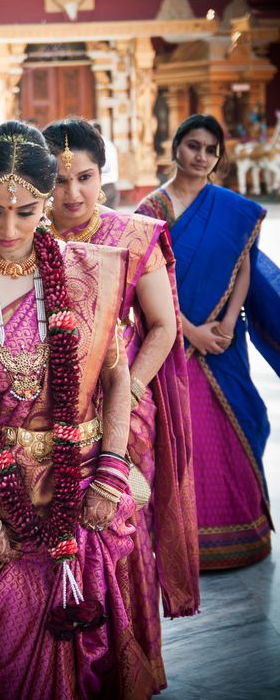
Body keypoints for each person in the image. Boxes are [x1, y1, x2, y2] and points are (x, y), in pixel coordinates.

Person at [0, 120, 162, 699]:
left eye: (26, 211)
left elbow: (117, 372)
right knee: (1, 645)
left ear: (46, 201)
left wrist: (110, 469)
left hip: (81, 485)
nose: (8, 228)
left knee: (87, 643)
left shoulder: (91, 269)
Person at [42, 118, 199, 694]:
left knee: (118, 536)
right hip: (45, 417)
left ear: (101, 175)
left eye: (84, 177)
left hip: (123, 410)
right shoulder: (22, 240)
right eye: (58, 181)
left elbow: (160, 328)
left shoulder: (133, 236)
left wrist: (125, 392)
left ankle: (126, 667)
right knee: (53, 537)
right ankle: (60, 670)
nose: (73, 193)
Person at [136, 113, 279, 570]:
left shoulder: (232, 209)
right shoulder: (151, 212)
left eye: (211, 150)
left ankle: (245, 531)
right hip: (173, 342)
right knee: (185, 436)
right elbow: (144, 287)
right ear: (176, 146)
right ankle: (183, 542)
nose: (202, 156)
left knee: (244, 419)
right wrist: (192, 331)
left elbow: (244, 267)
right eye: (194, 145)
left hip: (223, 340)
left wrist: (230, 323)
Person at [92, 121, 120, 208]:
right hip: (112, 186)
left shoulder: (97, 145)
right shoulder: (110, 144)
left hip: (103, 187)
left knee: (100, 218)